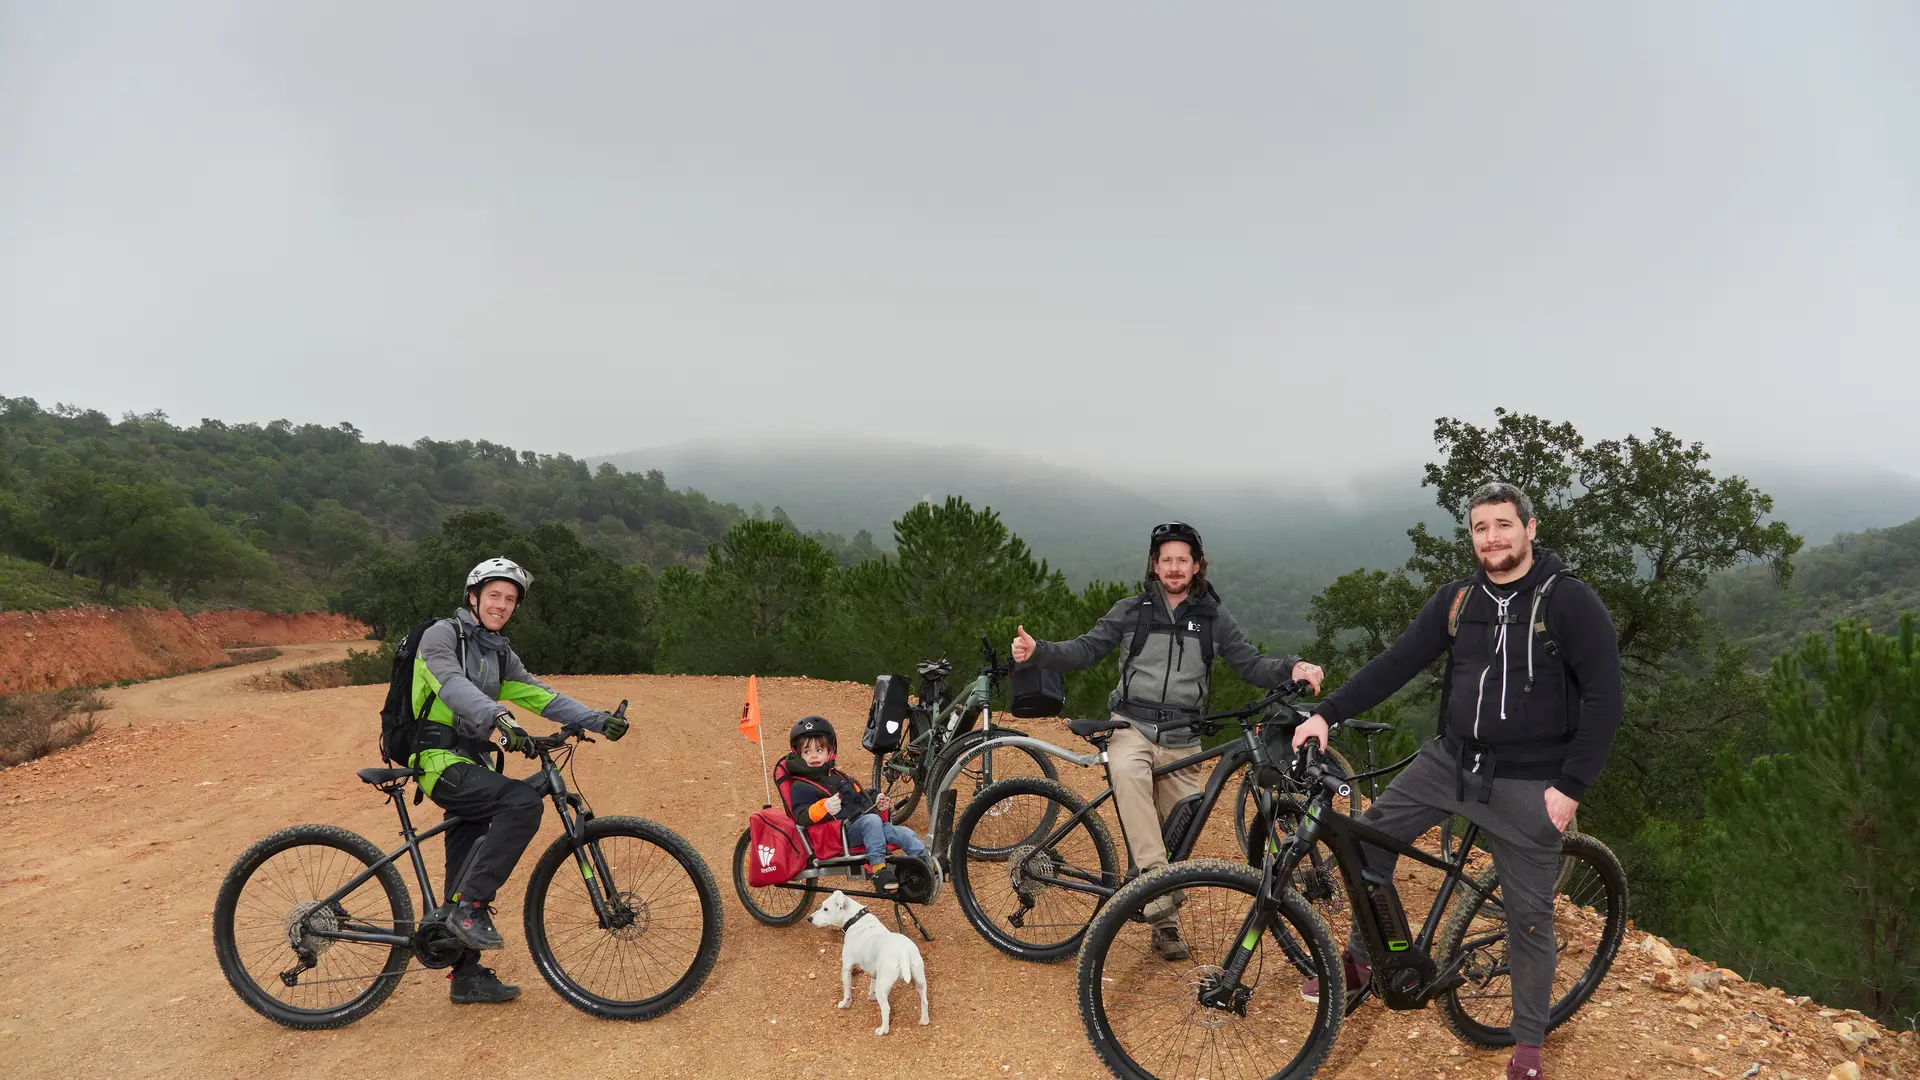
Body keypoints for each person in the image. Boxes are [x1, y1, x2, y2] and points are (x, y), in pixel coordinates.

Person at [1291, 482, 1623, 1080]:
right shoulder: (1457, 600)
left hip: (1530, 779)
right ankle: (1363, 961)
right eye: (1480, 528)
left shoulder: (1568, 601)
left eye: (1502, 525)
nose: (1492, 538)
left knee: (1527, 917)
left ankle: (1527, 1047)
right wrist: (1326, 714)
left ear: (1529, 527)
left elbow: (1604, 696)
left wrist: (1571, 787)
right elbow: (1396, 662)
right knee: (1365, 844)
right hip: (1450, 762)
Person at [1012, 521, 1324, 961]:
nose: (1174, 567)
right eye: (1166, 560)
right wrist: (1039, 650)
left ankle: (1162, 923)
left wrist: (1291, 667)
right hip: (1131, 729)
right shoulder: (1132, 610)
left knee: (1181, 831)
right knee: (1129, 778)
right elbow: (1086, 649)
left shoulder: (1214, 618)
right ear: (1154, 566)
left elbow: (1250, 664)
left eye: (1182, 560)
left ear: (1196, 566)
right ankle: (1161, 902)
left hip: (1183, 738)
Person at [410, 556, 629, 1005]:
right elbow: (450, 684)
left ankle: (465, 973)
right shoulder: (441, 637)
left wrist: (596, 719)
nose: (502, 605)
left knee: (468, 858)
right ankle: (471, 909)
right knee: (522, 803)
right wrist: (499, 717)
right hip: (436, 759)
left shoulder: (498, 654)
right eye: (494, 595)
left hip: (472, 764)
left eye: (510, 600)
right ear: (473, 596)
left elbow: (539, 694)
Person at [781, 716, 932, 893]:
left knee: (904, 832)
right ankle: (878, 870)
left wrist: (878, 803)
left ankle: (926, 864)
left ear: (830, 751)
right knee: (872, 822)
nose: (814, 755)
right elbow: (801, 815)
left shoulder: (838, 775)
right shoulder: (801, 786)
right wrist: (824, 807)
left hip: (860, 827)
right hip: (837, 835)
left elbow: (860, 797)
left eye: (819, 750)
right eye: (807, 752)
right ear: (798, 755)